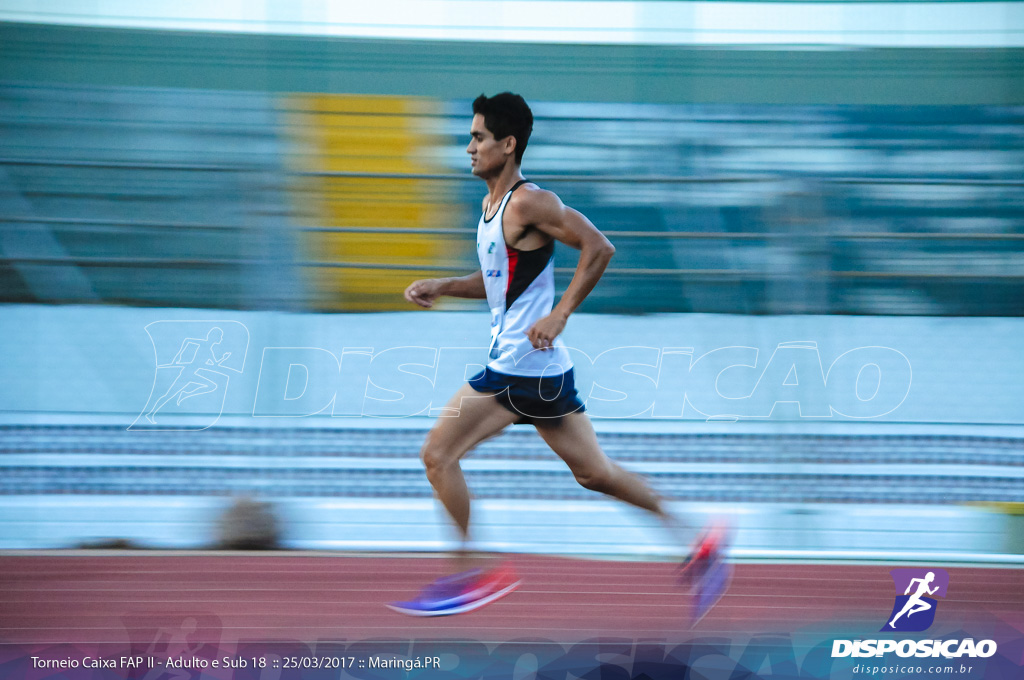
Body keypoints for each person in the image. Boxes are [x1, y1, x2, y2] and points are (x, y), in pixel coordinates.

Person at [390, 92, 724, 617]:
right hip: (543, 370)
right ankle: (699, 540)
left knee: (438, 455)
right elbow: (500, 282)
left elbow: (600, 248)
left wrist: (561, 312)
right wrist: (445, 285)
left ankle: (468, 576)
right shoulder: (492, 208)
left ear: (508, 144)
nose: (469, 147)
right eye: (470, 137)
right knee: (594, 473)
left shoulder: (529, 202)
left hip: (517, 367)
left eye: (478, 138)